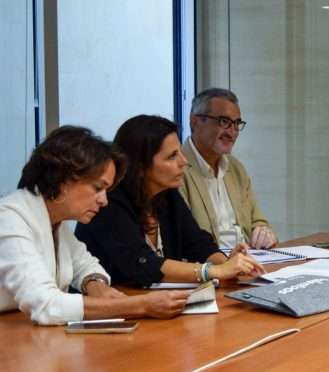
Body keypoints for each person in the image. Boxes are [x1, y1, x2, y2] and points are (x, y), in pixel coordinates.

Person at [0, 126, 191, 325]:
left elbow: (85, 264)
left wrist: (94, 283)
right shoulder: (9, 219)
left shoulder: (55, 221)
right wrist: (141, 305)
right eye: (98, 188)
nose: (104, 201)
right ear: (63, 180)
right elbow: (47, 305)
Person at [76, 115, 264, 288]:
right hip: (114, 311)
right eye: (172, 156)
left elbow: (197, 243)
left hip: (157, 306)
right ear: (140, 166)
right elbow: (141, 263)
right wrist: (212, 271)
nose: (183, 161)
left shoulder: (166, 194)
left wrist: (226, 263)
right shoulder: (108, 203)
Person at [179, 88, 277, 249]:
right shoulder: (177, 170)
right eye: (224, 122)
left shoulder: (236, 168)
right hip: (210, 267)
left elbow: (257, 220)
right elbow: (185, 242)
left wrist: (263, 232)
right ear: (195, 121)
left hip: (248, 261)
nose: (232, 132)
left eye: (237, 123)